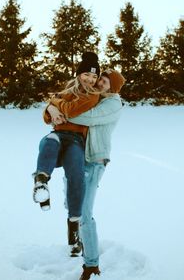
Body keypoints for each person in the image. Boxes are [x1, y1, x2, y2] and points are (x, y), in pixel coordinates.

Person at [50, 69, 125, 279]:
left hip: (93, 161)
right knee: (70, 204)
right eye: (100, 79)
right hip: (76, 157)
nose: (100, 83)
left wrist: (57, 107)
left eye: (106, 82)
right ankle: (79, 241)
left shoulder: (113, 103)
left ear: (114, 88)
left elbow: (86, 117)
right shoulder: (94, 98)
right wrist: (53, 105)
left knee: (83, 212)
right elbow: (67, 102)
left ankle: (91, 265)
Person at [33, 52, 100, 255]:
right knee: (50, 140)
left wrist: (55, 105)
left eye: (94, 77)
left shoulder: (92, 95)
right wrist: (50, 109)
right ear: (79, 74)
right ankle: (41, 183)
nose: (90, 79)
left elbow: (70, 110)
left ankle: (74, 237)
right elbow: (46, 115)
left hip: (76, 141)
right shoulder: (67, 90)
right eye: (87, 75)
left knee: (76, 177)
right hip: (58, 135)